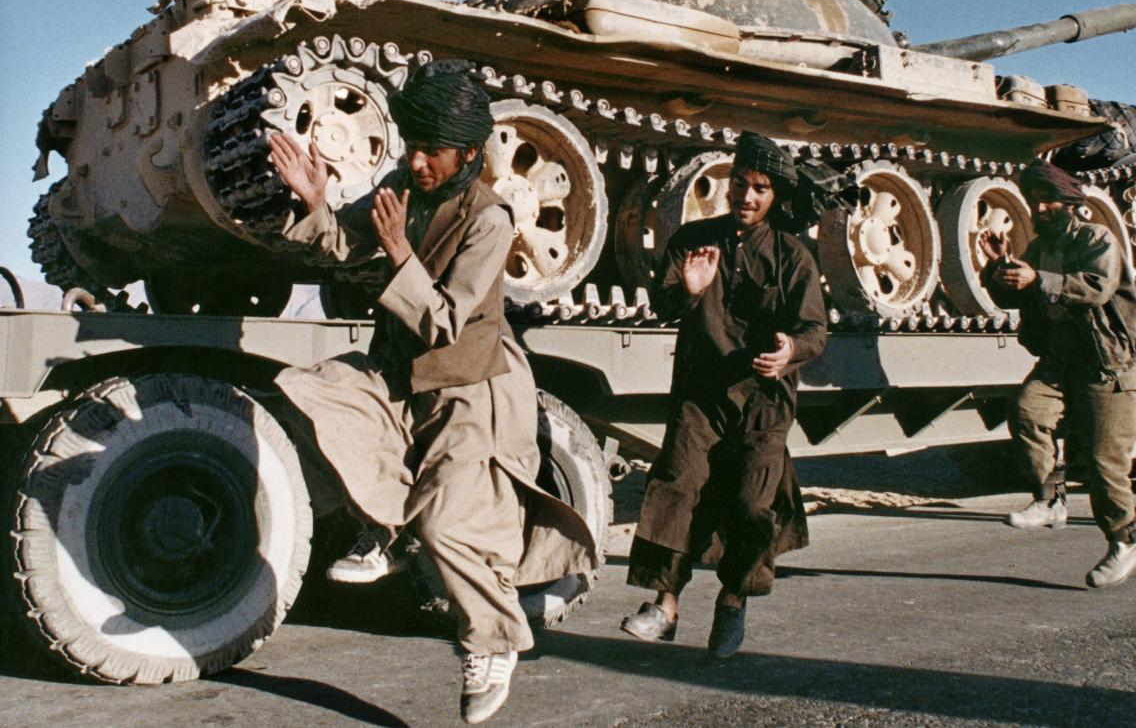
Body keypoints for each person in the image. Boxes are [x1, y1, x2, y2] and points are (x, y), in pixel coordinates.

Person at [268, 60, 595, 724]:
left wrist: (398, 254)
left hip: (472, 388)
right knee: (311, 394)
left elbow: (446, 319)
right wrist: (315, 202)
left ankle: (495, 643)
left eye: (432, 152)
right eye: (411, 146)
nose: (416, 162)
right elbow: (346, 243)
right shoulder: (402, 186)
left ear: (469, 154)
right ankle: (384, 526)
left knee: (450, 523)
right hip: (401, 374)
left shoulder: (490, 219)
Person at [619, 131, 827, 657]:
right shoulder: (694, 239)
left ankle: (733, 601)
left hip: (764, 401)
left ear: (774, 195)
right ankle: (665, 605)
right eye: (740, 183)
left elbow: (815, 329)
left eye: (760, 187)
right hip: (702, 392)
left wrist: (789, 352)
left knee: (753, 505)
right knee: (678, 484)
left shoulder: (792, 254)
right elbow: (663, 303)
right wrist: (686, 292)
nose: (747, 196)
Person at [982, 160, 1136, 588]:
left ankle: (1127, 541)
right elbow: (1017, 293)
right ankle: (1050, 500)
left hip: (1106, 363)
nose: (1041, 207)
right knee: (1026, 412)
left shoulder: (1097, 238)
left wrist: (1039, 278)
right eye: (1036, 201)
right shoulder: (1040, 248)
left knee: (1103, 461)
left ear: (1070, 202)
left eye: (1048, 199)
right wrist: (997, 267)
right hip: (1060, 361)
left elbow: (1096, 286)